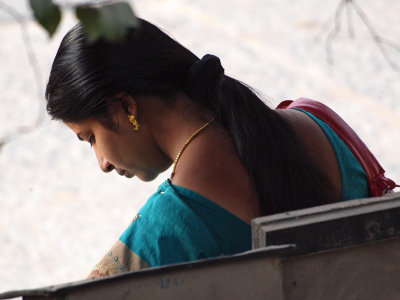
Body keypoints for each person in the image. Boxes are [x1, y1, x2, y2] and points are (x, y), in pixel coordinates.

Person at [45, 18, 395, 278]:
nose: (102, 163)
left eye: (90, 138)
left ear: (126, 107)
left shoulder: (169, 227)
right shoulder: (319, 120)